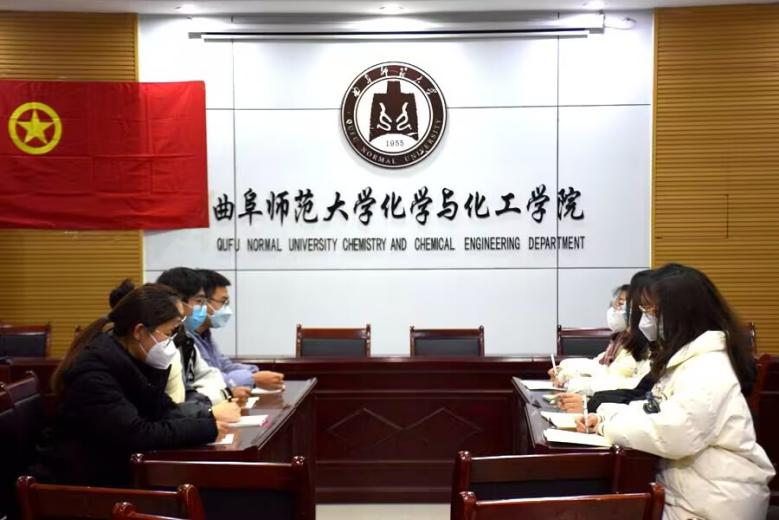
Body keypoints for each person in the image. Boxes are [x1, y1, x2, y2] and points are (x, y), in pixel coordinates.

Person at [576, 264, 774, 520]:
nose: (645, 320)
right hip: (691, 494)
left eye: (651, 311)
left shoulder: (708, 366)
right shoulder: (687, 358)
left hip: (714, 504)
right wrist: (605, 416)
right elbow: (655, 408)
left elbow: (673, 433)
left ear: (681, 314)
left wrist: (607, 425)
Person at [33, 283, 239, 486]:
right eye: (168, 334)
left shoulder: (133, 359)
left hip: (114, 471)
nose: (171, 342)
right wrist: (206, 428)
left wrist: (208, 419)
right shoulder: (93, 370)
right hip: (79, 485)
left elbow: (163, 410)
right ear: (139, 331)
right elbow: (136, 434)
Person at [553, 272, 652, 412]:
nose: (615, 309)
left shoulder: (648, 344)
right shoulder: (620, 338)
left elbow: (632, 387)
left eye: (621, 304)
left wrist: (579, 386)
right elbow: (599, 364)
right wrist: (566, 369)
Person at [156, 267, 244, 404]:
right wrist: (224, 394)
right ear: (177, 302)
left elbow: (211, 376)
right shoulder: (158, 343)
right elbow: (177, 401)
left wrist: (220, 393)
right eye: (199, 301)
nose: (204, 307)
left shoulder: (185, 338)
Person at [195, 269, 284, 391]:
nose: (226, 308)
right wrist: (252, 378)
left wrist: (255, 374)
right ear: (201, 302)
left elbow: (225, 366)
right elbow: (208, 379)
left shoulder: (205, 335)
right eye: (223, 302)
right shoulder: (184, 339)